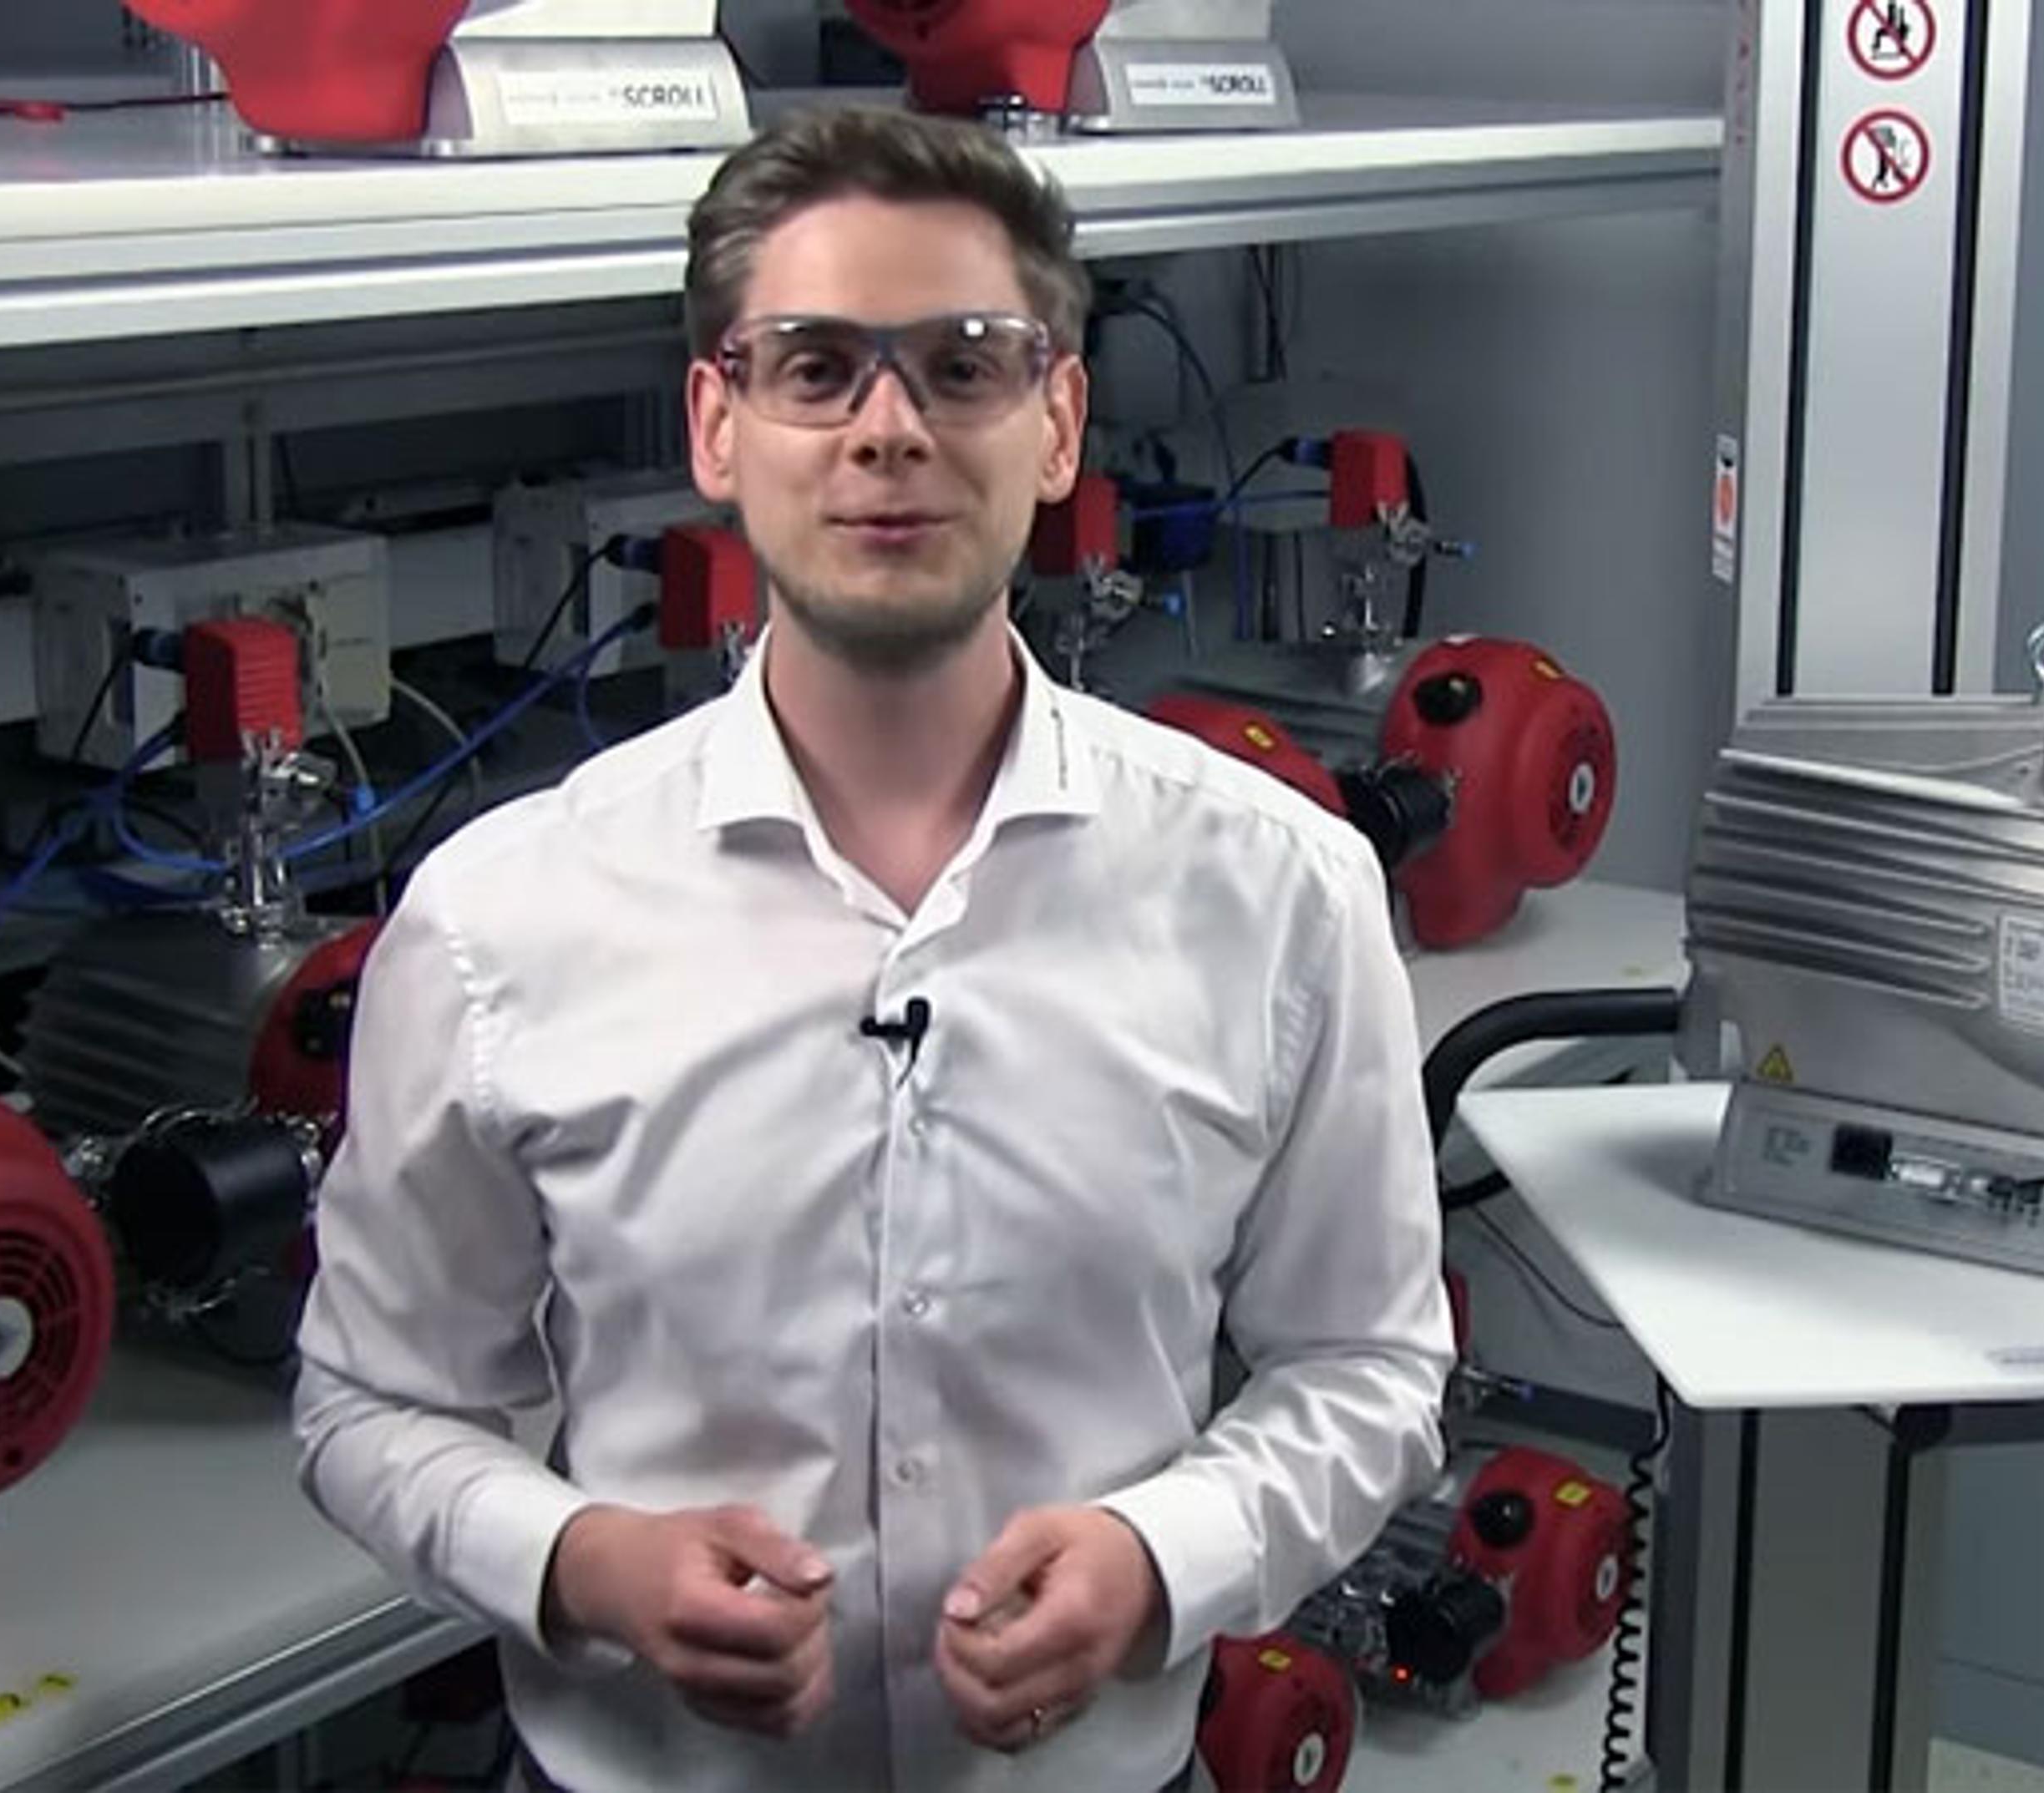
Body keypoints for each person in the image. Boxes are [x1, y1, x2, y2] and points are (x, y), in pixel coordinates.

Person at [293, 104, 1453, 1793]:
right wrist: (586, 1563)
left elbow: (1369, 1367)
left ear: (1059, 422)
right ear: (718, 424)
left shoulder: (1281, 890)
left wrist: (1163, 1560)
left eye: (965, 366)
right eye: (817, 368)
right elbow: (367, 1406)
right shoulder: (500, 916)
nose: (889, 430)